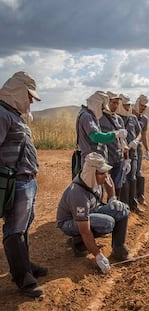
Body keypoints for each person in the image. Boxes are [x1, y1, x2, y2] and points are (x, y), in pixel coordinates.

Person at [0, 71, 47, 297]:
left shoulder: (14, 115)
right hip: (15, 181)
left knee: (24, 226)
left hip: (27, 180)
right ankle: (23, 279)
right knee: (14, 229)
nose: (31, 101)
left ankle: (25, 266)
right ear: (18, 92)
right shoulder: (2, 114)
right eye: (29, 96)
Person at [56, 152, 130, 274]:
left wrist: (112, 198)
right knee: (107, 223)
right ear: (92, 173)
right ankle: (79, 243)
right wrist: (98, 255)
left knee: (122, 209)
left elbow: (109, 180)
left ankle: (119, 248)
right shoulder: (78, 194)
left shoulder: (97, 177)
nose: (105, 176)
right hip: (70, 222)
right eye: (102, 173)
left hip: (90, 212)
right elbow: (85, 229)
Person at [76, 91, 128, 168]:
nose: (102, 109)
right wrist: (115, 134)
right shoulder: (87, 116)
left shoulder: (89, 115)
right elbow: (95, 136)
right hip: (92, 160)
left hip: (95, 158)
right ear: (97, 104)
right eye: (102, 107)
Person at [100, 91, 128, 197]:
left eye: (117, 103)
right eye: (113, 103)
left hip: (118, 156)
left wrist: (126, 159)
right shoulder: (100, 118)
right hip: (106, 157)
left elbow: (122, 141)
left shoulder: (119, 119)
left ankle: (116, 209)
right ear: (107, 102)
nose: (115, 105)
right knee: (105, 185)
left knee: (118, 185)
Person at [117, 94, 142, 213]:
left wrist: (136, 141)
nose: (128, 107)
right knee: (122, 180)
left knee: (132, 177)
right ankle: (124, 205)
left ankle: (133, 203)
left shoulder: (133, 118)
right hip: (121, 154)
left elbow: (139, 132)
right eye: (126, 105)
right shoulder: (117, 118)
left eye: (129, 105)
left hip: (133, 153)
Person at [132, 95, 149, 207]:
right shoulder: (129, 115)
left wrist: (148, 149)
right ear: (137, 103)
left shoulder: (144, 119)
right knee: (130, 174)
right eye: (141, 105)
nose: (143, 108)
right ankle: (131, 199)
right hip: (127, 148)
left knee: (138, 172)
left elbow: (144, 136)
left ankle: (140, 197)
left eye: (145, 106)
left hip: (138, 148)